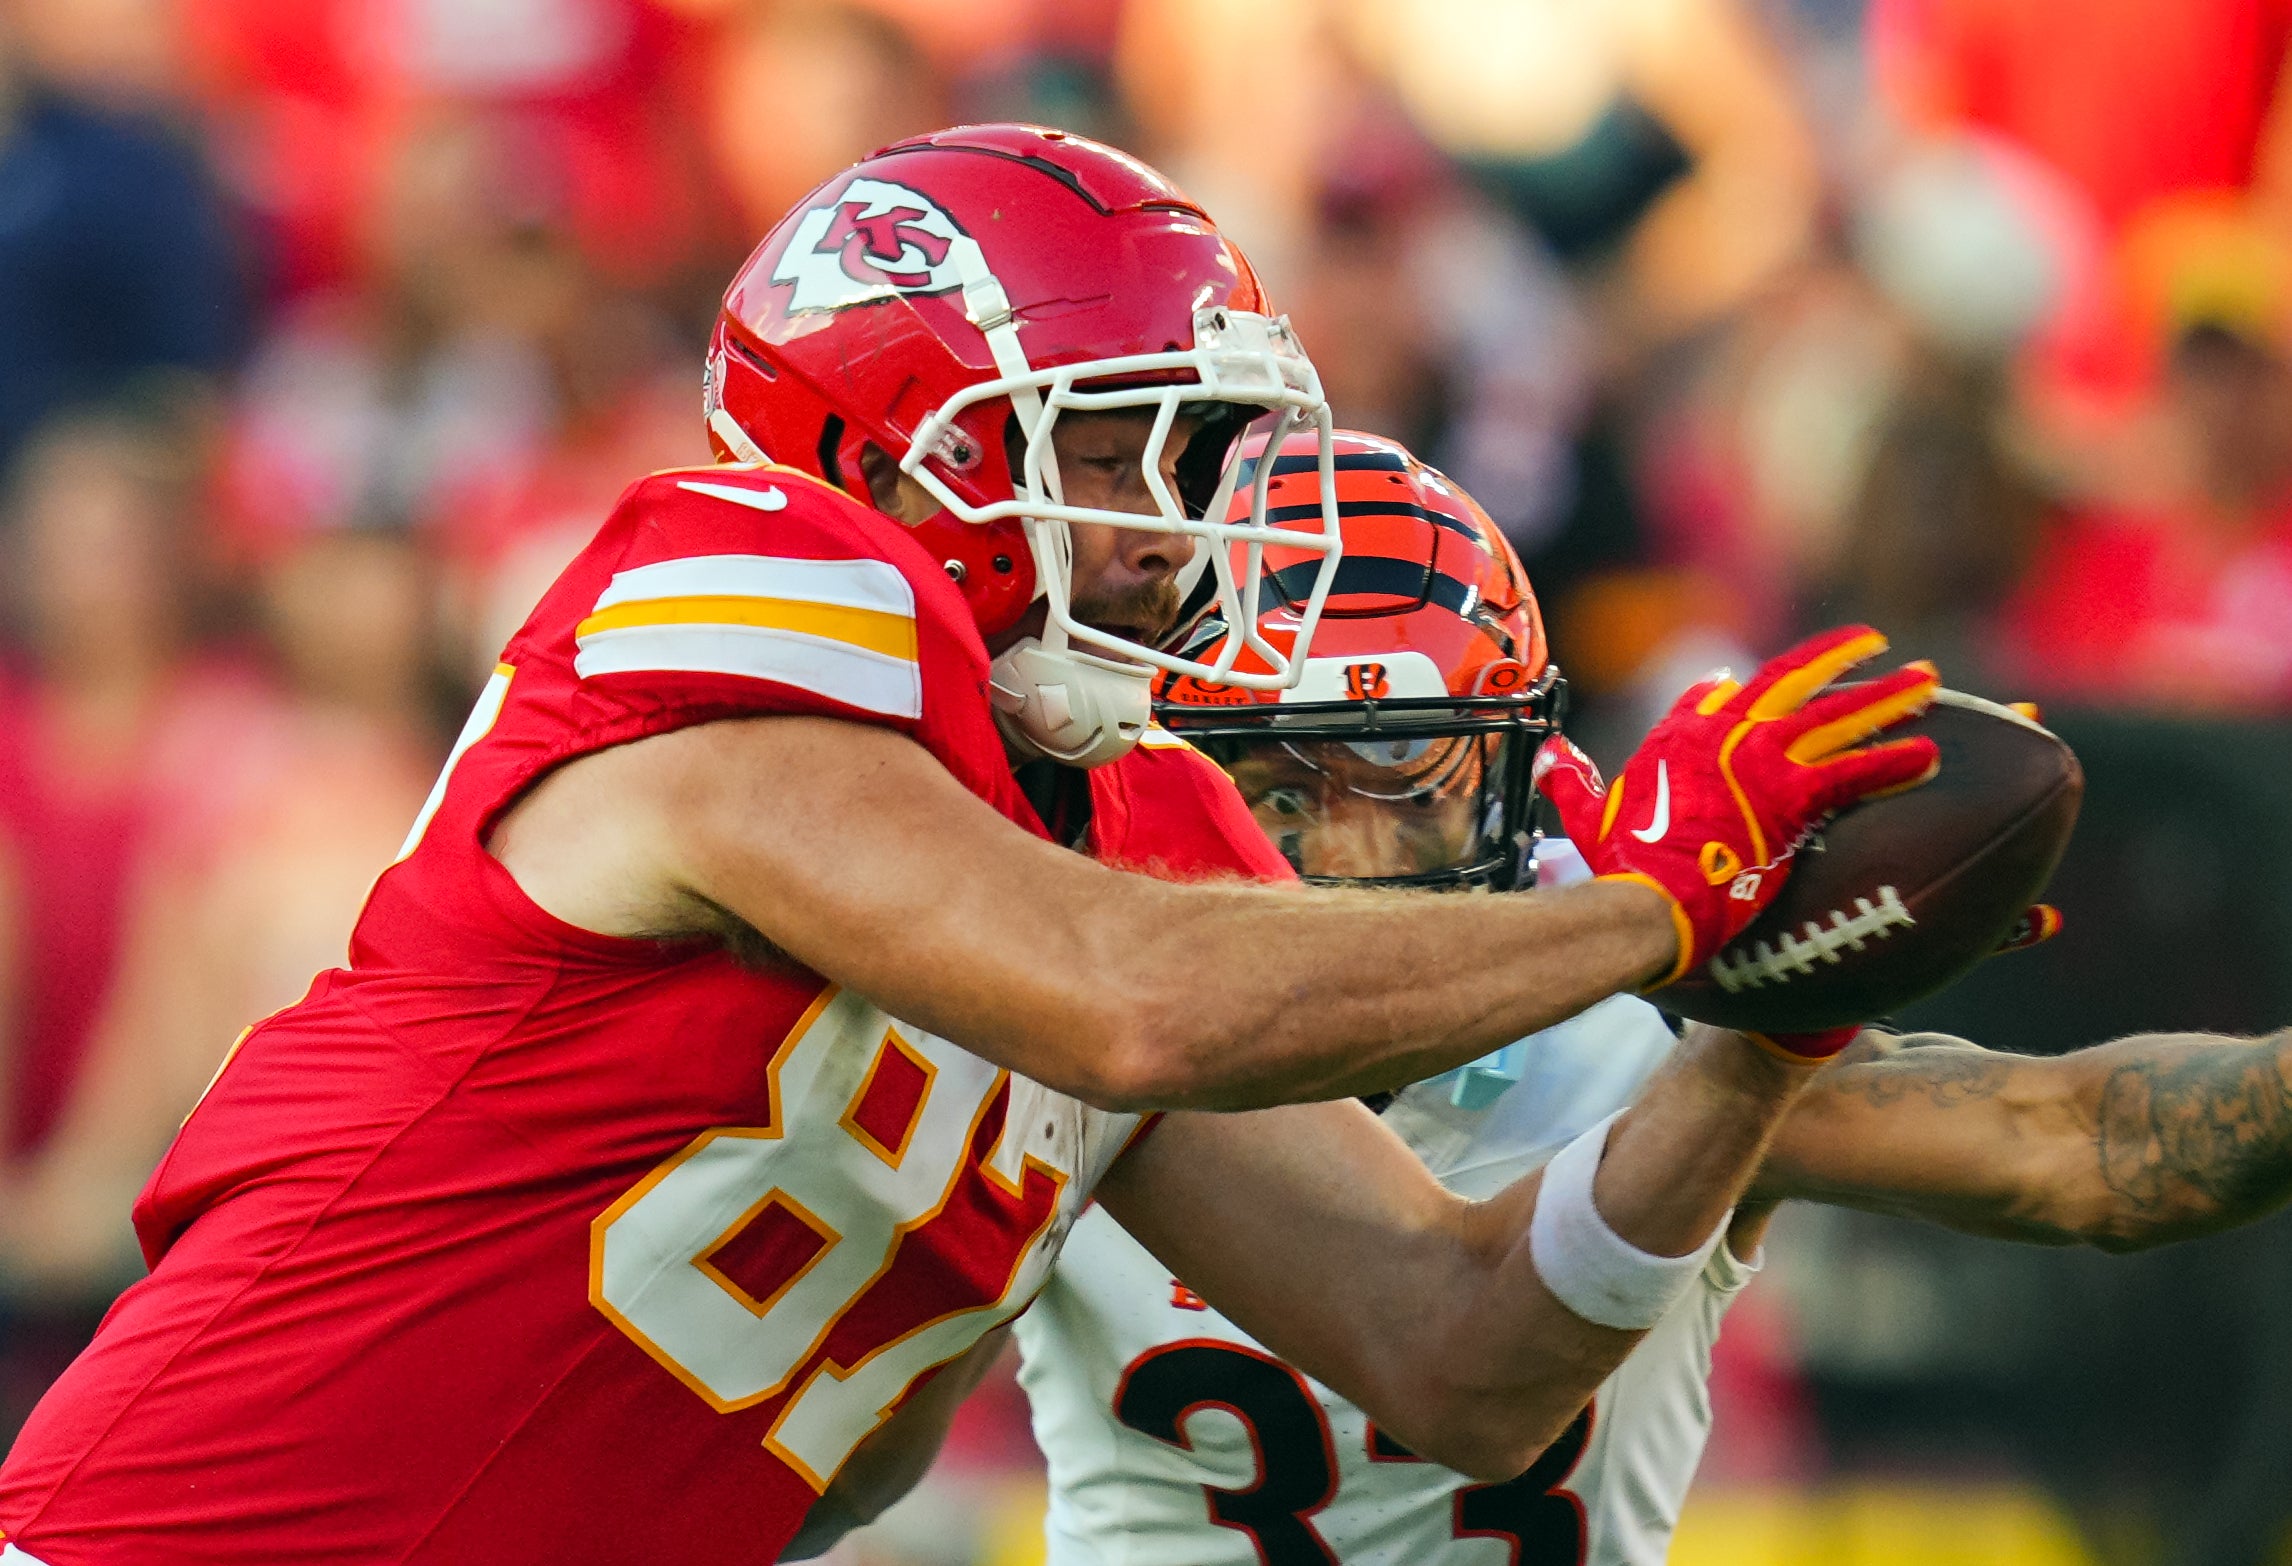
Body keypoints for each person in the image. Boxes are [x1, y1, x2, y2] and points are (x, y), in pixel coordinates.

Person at [0, 128, 1940, 1566]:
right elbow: (1126, 1003)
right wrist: (1641, 912)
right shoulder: (747, 605)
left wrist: (1754, 1036)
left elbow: (1460, 1360)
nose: (1176, 532)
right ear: (873, 451)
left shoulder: (1131, 824)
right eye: (1109, 455)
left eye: (1196, 463)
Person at [1011, 430, 2292, 1566]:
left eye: (1398, 763)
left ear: (1524, 774)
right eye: (1274, 782)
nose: (1344, 848)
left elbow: (2086, 1147)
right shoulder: (1082, 1028)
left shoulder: (1649, 1037)